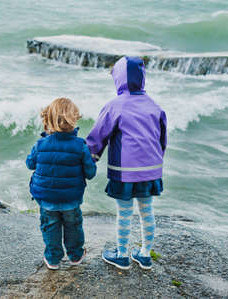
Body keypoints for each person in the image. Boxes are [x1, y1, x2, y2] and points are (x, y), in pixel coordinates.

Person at [86, 56, 167, 270]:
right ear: (142, 78)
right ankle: (145, 255)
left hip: (124, 171)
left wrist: (89, 159)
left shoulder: (115, 106)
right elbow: (162, 139)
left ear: (119, 79)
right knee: (146, 210)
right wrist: (157, 163)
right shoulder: (154, 106)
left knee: (124, 213)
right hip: (151, 170)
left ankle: (122, 255)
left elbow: (97, 138)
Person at [26, 98, 97, 270]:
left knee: (50, 227)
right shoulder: (80, 145)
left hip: (46, 198)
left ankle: (53, 258)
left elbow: (30, 164)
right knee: (73, 226)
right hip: (71, 199)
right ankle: (75, 255)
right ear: (74, 119)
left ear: (48, 119)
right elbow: (90, 173)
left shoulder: (40, 144)